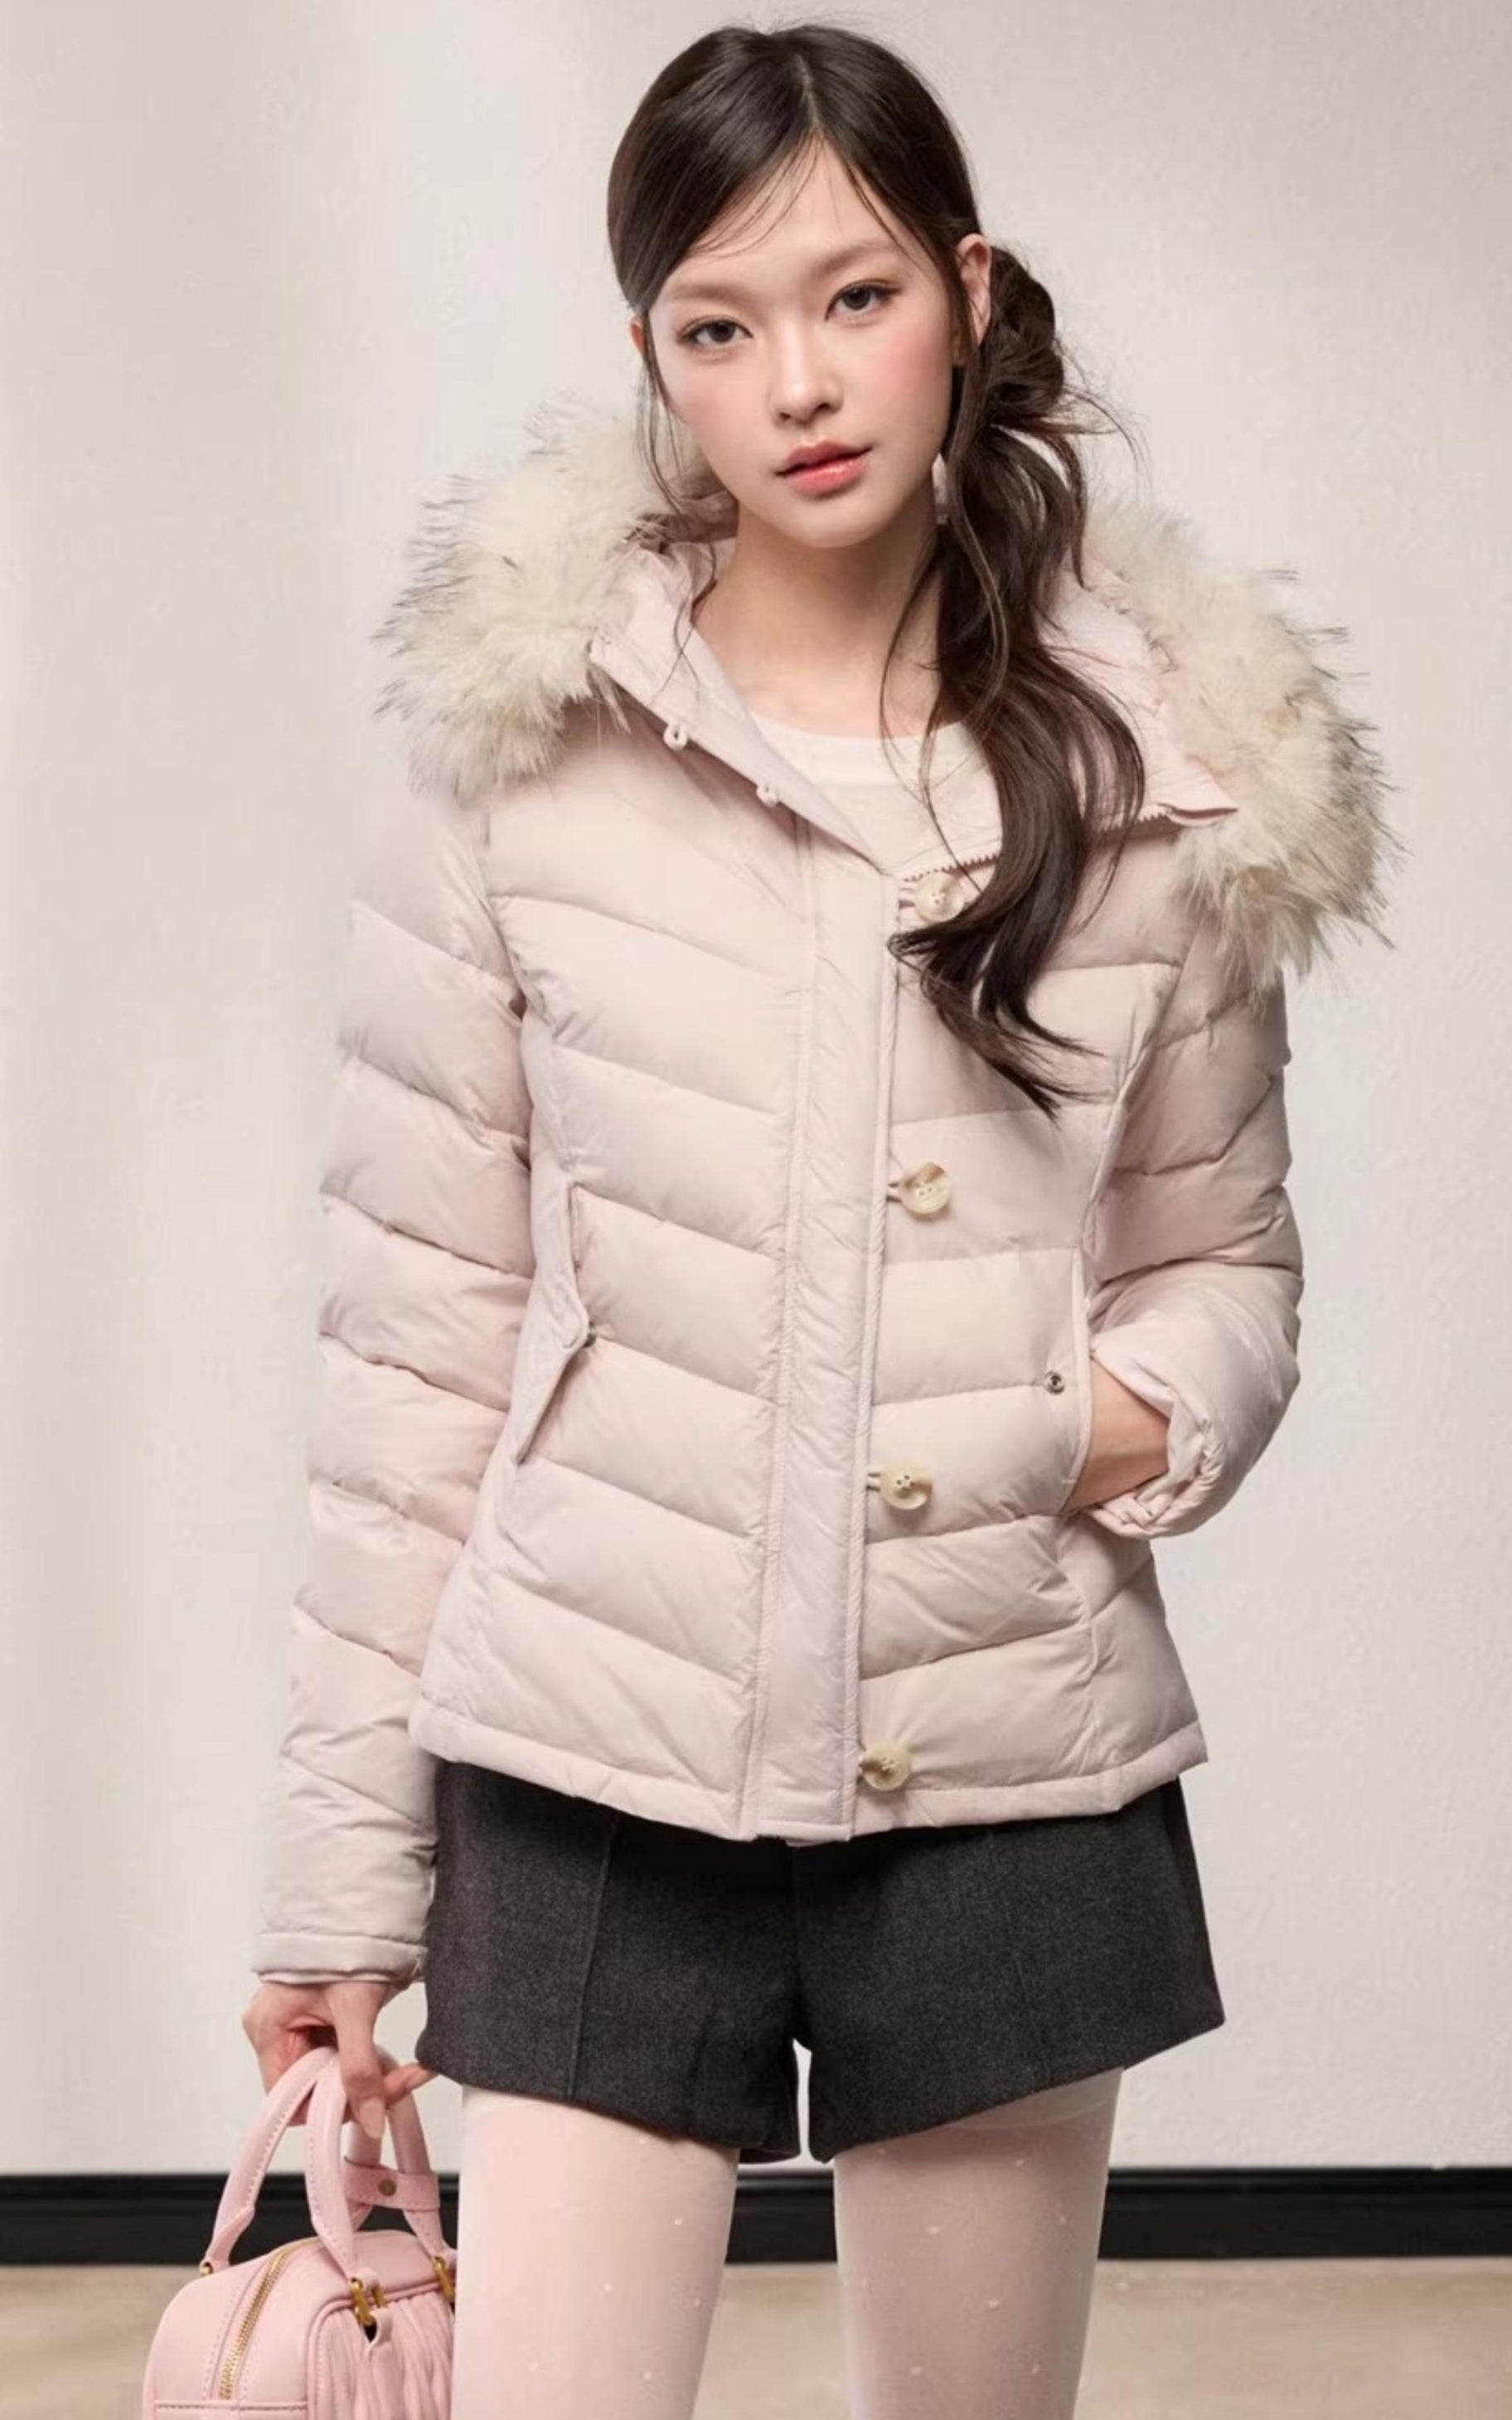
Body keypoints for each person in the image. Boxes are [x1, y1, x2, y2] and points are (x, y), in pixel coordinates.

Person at [240, 22, 1398, 2416]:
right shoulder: (513, 753)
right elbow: (413, 1350)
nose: (795, 383)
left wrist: (1083, 1424)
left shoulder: (1170, 764)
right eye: (717, 323)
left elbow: (1226, 1260)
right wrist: (339, 1890)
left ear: (965, 288)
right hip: (587, 1759)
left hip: (1004, 1758)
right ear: (652, 351)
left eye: (854, 295)